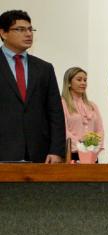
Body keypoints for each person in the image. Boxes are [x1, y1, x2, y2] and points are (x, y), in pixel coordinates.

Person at [0, 10, 65, 163]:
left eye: (30, 29)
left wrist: (57, 150)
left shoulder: (44, 68)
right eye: (20, 29)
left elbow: (55, 112)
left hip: (39, 153)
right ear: (3, 33)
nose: (28, 34)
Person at [61, 66, 105, 161]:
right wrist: (82, 146)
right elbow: (63, 130)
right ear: (68, 83)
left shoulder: (92, 106)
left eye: (85, 80)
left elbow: (100, 130)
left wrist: (93, 146)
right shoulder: (62, 104)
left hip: (91, 156)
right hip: (72, 155)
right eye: (79, 80)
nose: (83, 83)